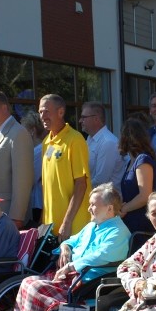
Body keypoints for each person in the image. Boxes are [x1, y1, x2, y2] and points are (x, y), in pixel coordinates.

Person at [0, 184, 130, 311]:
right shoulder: (92, 226)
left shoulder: (118, 232)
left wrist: (70, 265)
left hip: (86, 285)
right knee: (26, 283)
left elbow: (102, 255)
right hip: (71, 278)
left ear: (109, 208)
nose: (89, 208)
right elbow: (72, 240)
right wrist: (65, 247)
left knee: (34, 288)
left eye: (93, 204)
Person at [0, 90, 35, 229]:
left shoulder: (18, 133)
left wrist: (17, 217)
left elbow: (23, 180)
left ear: (4, 107)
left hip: (8, 214)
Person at [39, 94, 91, 241]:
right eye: (40, 112)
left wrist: (67, 222)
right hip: (52, 227)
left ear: (60, 112)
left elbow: (81, 183)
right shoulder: (46, 142)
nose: (42, 116)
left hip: (72, 227)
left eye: (46, 111)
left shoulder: (75, 139)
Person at [119, 119, 155, 235]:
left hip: (141, 224)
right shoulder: (131, 161)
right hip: (130, 221)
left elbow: (145, 196)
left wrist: (123, 209)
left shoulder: (143, 160)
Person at [81, 101, 123, 188]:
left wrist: (78, 189)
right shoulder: (90, 139)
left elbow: (101, 180)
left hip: (108, 200)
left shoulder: (108, 142)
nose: (80, 120)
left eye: (84, 117)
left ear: (96, 119)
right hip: (95, 197)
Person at [20, 111, 46, 227]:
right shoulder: (36, 150)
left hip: (38, 202)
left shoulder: (38, 151)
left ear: (32, 131)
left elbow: (31, 179)